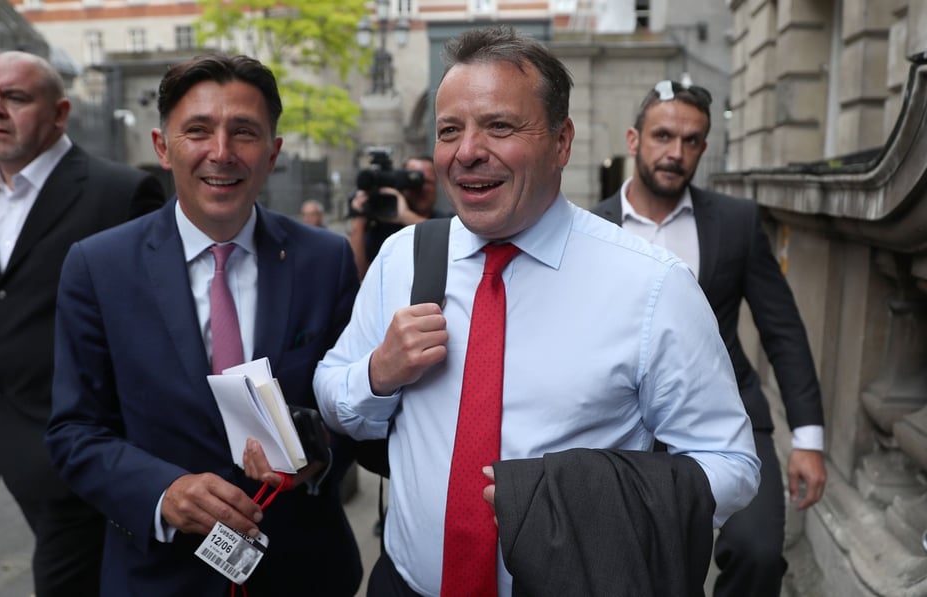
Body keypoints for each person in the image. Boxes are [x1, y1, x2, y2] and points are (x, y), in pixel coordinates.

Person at [314, 25, 760, 597]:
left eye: (500, 126)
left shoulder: (652, 288)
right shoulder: (403, 256)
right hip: (403, 583)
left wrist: (579, 496)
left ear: (562, 141)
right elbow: (332, 390)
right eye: (450, 130)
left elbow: (731, 464)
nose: (468, 151)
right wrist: (378, 375)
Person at [45, 53, 362, 596]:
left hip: (304, 572)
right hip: (162, 576)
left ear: (273, 153)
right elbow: (74, 431)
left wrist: (321, 455)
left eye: (244, 132)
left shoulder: (324, 260)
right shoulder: (99, 267)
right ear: (162, 147)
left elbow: (351, 403)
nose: (221, 153)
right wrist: (163, 492)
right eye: (198, 131)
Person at [0, 51, 165, 595]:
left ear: (60, 112)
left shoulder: (118, 194)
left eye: (15, 97)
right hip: (14, 455)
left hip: (91, 453)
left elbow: (160, 329)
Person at [590, 79, 827, 597]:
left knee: (760, 553)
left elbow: (782, 328)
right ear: (634, 140)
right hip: (627, 426)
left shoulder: (736, 223)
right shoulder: (590, 227)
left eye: (692, 140)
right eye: (663, 136)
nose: (676, 153)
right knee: (643, 569)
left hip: (732, 414)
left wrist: (808, 439)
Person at [348, 155, 446, 279]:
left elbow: (448, 242)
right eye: (412, 179)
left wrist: (405, 216)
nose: (420, 188)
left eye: (427, 181)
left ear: (437, 185)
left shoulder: (448, 223)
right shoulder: (381, 228)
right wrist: (359, 219)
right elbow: (356, 275)